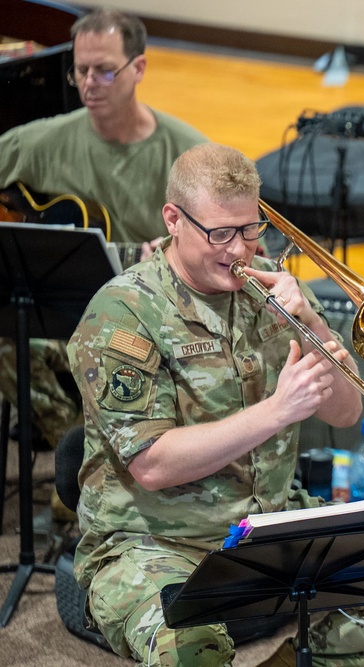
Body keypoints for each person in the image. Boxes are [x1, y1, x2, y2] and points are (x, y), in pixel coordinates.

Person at [66, 142, 364, 666]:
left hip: (271, 525)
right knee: (189, 650)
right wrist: (277, 410)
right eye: (220, 233)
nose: (238, 250)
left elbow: (345, 413)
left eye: (250, 229)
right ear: (173, 220)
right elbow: (151, 464)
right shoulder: (123, 314)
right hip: (154, 540)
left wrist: (315, 325)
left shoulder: (271, 288)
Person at [0, 8, 208, 451]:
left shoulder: (188, 152)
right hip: (65, 317)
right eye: (80, 72)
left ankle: (101, 450)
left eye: (105, 72)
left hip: (150, 327)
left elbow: (240, 245)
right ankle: (74, 444)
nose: (90, 84)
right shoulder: (41, 142)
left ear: (139, 68)